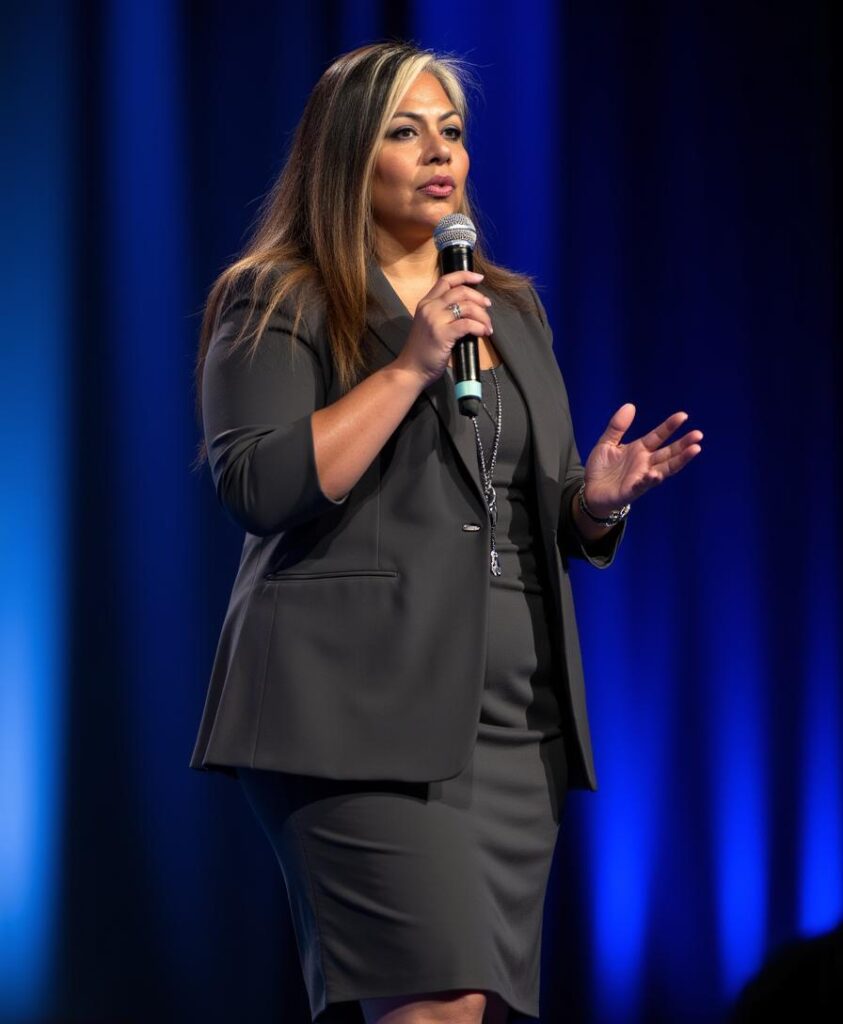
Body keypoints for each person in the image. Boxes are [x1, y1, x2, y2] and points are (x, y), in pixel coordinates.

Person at [188, 41, 702, 1024]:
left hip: (511, 726)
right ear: (347, 155)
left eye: (453, 133)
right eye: (406, 132)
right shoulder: (279, 295)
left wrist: (593, 501)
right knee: (435, 1002)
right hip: (353, 717)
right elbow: (257, 484)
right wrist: (410, 364)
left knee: (469, 1009)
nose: (441, 154)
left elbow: (515, 495)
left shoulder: (506, 305)